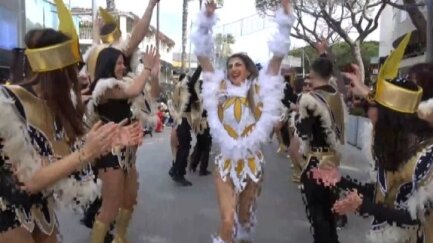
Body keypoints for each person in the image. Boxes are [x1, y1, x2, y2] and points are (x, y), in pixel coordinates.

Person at [0, 26, 118, 242]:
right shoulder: (7, 103)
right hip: (5, 207)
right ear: (57, 72)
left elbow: (57, 161)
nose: (77, 77)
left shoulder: (56, 106)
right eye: (71, 70)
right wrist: (85, 153)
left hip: (38, 203)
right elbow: (30, 179)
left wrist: (103, 144)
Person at [192, 0, 295, 241]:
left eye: (238, 64)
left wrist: (285, 21)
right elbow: (202, 55)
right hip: (226, 165)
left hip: (253, 166)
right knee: (228, 221)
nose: (233, 68)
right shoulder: (218, 89)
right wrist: (206, 21)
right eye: (230, 66)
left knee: (245, 221)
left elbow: (277, 56)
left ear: (248, 70)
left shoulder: (259, 90)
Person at [86, 45, 159, 243]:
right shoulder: (104, 87)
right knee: (110, 207)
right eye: (118, 63)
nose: (122, 66)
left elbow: (150, 95)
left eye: (123, 63)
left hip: (128, 152)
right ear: (108, 64)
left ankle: (120, 238)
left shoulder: (121, 84)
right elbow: (134, 89)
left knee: (129, 200)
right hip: (110, 152)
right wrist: (147, 68)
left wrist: (154, 75)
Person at [294, 55, 346, 242]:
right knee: (329, 211)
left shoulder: (309, 99)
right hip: (333, 161)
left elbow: (303, 133)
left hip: (315, 161)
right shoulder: (336, 96)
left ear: (312, 74)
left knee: (317, 215)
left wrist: (297, 118)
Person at [168, 67, 203, 186]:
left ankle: (175, 170)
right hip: (182, 120)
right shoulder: (185, 88)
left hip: (180, 120)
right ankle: (178, 173)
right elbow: (192, 81)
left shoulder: (179, 89)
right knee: (184, 148)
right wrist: (201, 66)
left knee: (183, 147)